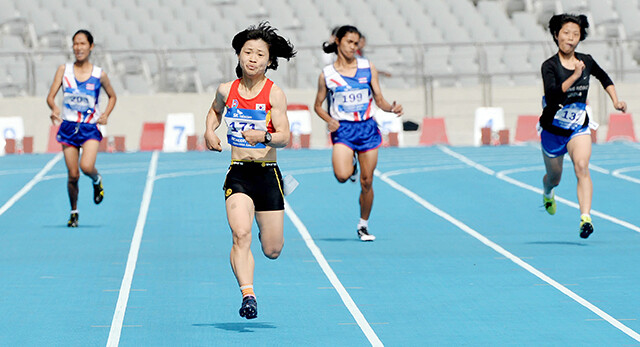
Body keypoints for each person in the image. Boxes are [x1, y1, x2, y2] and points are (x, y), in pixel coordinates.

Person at [203, 22, 295, 320]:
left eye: (260, 54)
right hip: (239, 172)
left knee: (272, 249)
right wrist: (209, 131)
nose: (253, 58)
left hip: (267, 174)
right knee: (240, 234)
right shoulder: (226, 90)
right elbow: (215, 110)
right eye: (247, 52)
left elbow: (285, 136)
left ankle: (262, 227)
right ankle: (248, 295)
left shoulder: (274, 94)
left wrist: (265, 137)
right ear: (239, 56)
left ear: (270, 61)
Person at [539, 14, 626, 238]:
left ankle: (585, 218)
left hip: (578, 127)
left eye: (575, 35)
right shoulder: (549, 66)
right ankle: (548, 191)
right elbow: (553, 93)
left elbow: (604, 78)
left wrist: (615, 100)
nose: (570, 38)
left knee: (581, 166)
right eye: (566, 33)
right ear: (556, 35)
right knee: (555, 177)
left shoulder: (586, 60)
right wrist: (575, 75)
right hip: (553, 130)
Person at [313, 25, 403, 242]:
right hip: (343, 130)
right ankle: (350, 165)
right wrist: (329, 120)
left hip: (367, 129)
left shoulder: (367, 67)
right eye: (349, 42)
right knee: (342, 176)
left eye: (356, 43)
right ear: (337, 41)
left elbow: (379, 99)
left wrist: (391, 108)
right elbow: (317, 106)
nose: (353, 47)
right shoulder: (327, 74)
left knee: (367, 181)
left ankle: (363, 224)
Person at [46, 29, 117, 228]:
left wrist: (106, 114)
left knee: (86, 167)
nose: (78, 48)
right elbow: (50, 96)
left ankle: (96, 179)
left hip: (89, 128)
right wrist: (54, 108)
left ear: (90, 46)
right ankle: (74, 212)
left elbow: (113, 96)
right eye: (75, 44)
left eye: (82, 43)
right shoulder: (64, 70)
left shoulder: (98, 74)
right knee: (73, 175)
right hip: (68, 127)